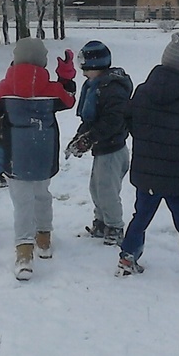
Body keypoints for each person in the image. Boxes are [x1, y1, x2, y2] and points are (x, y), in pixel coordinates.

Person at [117, 25, 179, 289]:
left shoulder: (142, 92)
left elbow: (129, 120)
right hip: (178, 176)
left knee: (140, 217)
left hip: (146, 172)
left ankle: (127, 257)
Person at [0, 37, 76, 281]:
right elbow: (68, 100)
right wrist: (65, 76)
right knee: (42, 194)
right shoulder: (51, 89)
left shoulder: (6, 87)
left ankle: (24, 254)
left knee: (22, 203)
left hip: (16, 155)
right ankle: (44, 239)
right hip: (45, 154)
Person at [65, 40, 133, 245]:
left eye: (86, 68)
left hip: (113, 149)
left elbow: (112, 121)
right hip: (103, 148)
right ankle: (101, 222)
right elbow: (90, 120)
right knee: (96, 188)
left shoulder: (113, 89)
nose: (83, 73)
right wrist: (79, 138)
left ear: (96, 66)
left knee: (107, 190)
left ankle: (115, 227)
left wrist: (89, 139)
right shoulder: (96, 86)